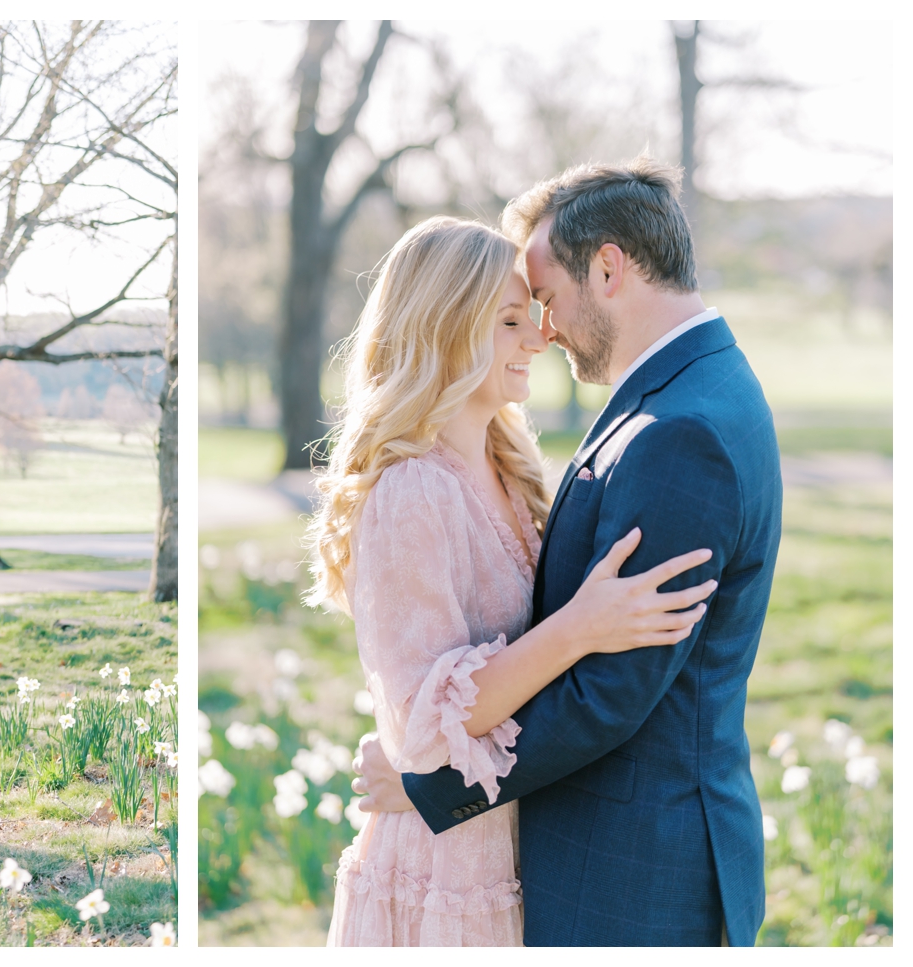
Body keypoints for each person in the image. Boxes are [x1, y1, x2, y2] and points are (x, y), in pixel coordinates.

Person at [350, 159, 781, 946]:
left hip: (636, 868)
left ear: (608, 268)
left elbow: (609, 695)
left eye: (543, 303)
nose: (543, 334)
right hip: (517, 864)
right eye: (515, 316)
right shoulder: (685, 393)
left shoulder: (676, 430)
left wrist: (426, 786)